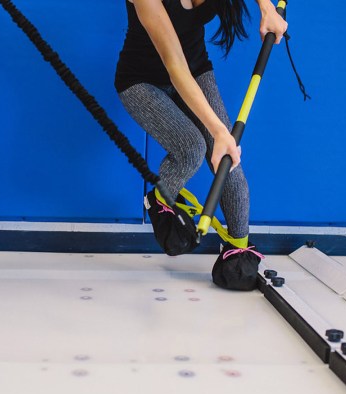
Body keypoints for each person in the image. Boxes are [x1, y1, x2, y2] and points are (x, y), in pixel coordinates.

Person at [114, 0, 287, 290]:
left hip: (196, 69)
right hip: (142, 81)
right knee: (192, 149)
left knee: (228, 163)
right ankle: (161, 199)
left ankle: (238, 250)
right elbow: (175, 67)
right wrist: (219, 131)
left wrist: (267, 7)